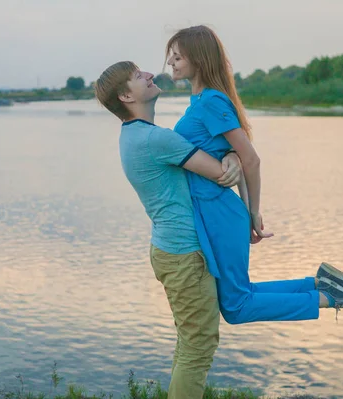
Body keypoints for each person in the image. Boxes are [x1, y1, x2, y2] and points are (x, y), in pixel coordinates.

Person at [165, 25, 343, 325]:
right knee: (240, 295)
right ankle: (317, 284)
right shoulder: (200, 101)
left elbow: (250, 159)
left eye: (178, 56)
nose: (170, 61)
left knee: (236, 307)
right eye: (170, 56)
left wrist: (253, 212)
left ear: (199, 58)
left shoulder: (211, 101)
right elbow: (230, 157)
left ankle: (329, 298)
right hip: (213, 213)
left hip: (220, 214)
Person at [95, 61, 242, 399]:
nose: (148, 75)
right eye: (137, 76)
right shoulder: (155, 139)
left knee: (189, 344)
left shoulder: (133, 135)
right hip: (184, 255)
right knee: (199, 348)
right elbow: (222, 173)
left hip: (170, 251)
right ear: (126, 95)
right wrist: (234, 152)